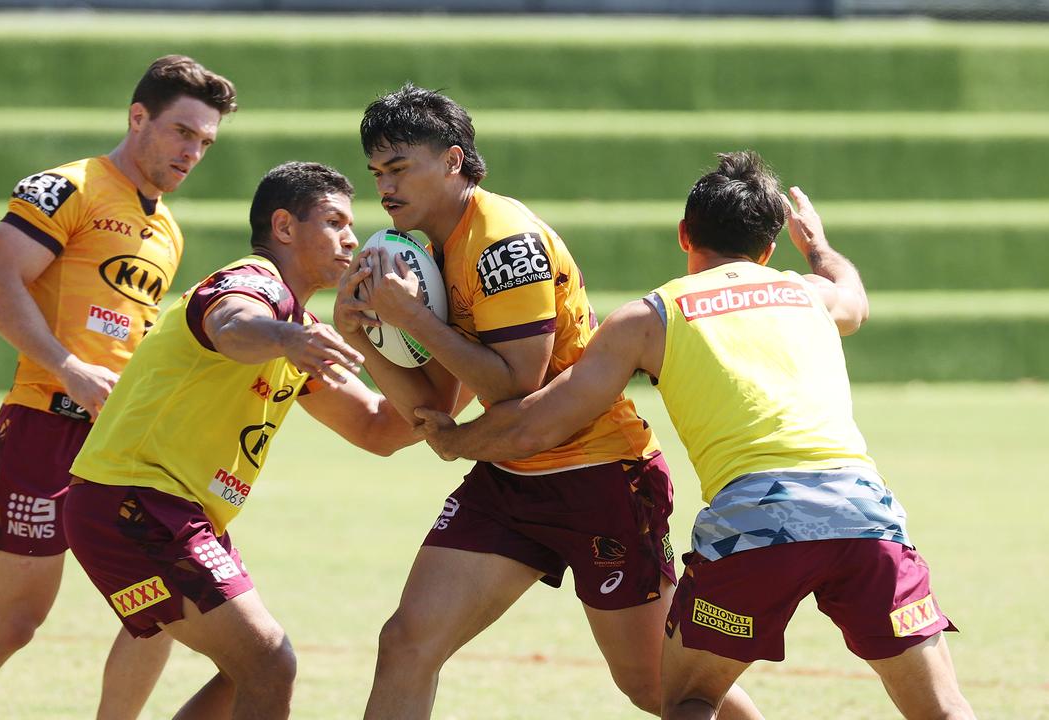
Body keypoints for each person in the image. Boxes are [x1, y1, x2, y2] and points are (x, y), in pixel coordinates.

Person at [416, 152, 976, 719]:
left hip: (757, 524)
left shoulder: (649, 318)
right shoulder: (808, 292)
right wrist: (820, 248)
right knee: (943, 710)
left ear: (685, 234)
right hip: (865, 515)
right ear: (768, 250)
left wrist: (455, 438)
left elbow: (544, 421)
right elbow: (854, 299)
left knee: (688, 699)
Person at [336, 84, 760, 719]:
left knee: (658, 687)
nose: (384, 187)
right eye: (376, 173)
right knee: (406, 643)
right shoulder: (426, 246)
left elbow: (516, 387)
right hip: (513, 476)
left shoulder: (505, 242)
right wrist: (361, 338)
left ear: (453, 160)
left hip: (602, 479)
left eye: (399, 168)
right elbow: (434, 402)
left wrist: (412, 320)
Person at [0, 55, 237, 720]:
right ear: (138, 117)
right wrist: (67, 366)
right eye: (183, 132)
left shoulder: (169, 231)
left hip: (122, 444)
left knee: (160, 610)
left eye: (205, 142)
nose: (193, 152)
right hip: (44, 424)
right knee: (14, 622)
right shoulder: (67, 187)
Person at [62, 161, 415, 720]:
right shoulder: (254, 285)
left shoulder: (298, 325)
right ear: (283, 227)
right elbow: (232, 326)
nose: (351, 237)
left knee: (248, 669)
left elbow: (377, 427)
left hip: (159, 511)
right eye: (333, 221)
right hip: (136, 502)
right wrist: (285, 337)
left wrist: (460, 358)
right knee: (269, 663)